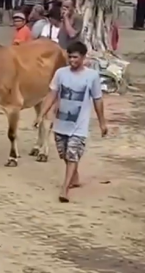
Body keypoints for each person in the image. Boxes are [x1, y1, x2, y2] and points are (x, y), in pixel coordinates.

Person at [39, 42, 108, 203]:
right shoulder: (60, 73)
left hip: (79, 125)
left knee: (72, 154)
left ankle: (65, 188)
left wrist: (102, 122)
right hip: (61, 123)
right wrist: (42, 113)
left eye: (75, 57)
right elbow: (52, 94)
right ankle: (74, 176)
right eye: (70, 57)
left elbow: (98, 100)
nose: (72, 60)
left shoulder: (91, 76)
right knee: (64, 153)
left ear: (83, 58)